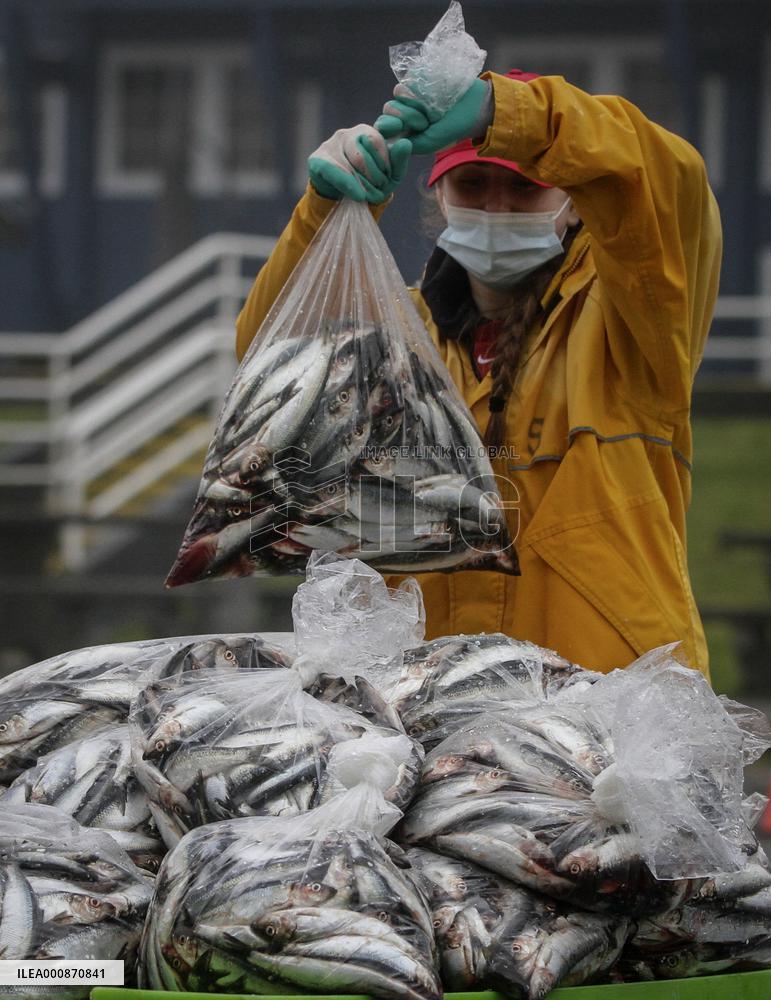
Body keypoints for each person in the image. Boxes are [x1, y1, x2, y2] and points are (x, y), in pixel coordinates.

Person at [235, 69, 722, 677]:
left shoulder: (634, 325)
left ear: (573, 205)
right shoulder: (388, 340)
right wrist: (325, 215)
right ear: (440, 196)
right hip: (424, 709)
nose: (497, 207)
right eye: (472, 184)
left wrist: (510, 112)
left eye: (525, 192)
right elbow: (271, 366)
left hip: (604, 710)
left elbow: (668, 183)